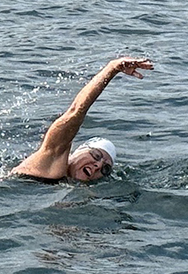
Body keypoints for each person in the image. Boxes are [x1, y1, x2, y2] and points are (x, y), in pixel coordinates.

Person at [12, 57, 154, 182]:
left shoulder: (72, 188)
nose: (98, 165)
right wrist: (112, 69)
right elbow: (76, 112)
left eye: (105, 169)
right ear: (76, 152)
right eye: (96, 155)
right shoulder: (49, 160)